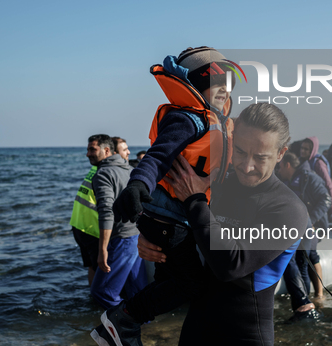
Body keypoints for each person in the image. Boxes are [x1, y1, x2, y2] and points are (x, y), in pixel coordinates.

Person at [93, 103, 309, 346]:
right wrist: (152, 237)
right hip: (196, 328)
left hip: (245, 336)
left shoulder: (289, 210)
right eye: (239, 151)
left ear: (281, 153)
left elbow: (230, 265)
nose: (247, 166)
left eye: (260, 158)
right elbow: (184, 226)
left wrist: (194, 201)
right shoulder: (217, 185)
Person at [91, 47, 235, 345]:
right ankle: (123, 320)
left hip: (175, 220)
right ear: (194, 85)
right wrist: (138, 184)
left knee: (171, 280)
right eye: (214, 80)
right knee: (191, 284)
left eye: (227, 81)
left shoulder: (217, 123)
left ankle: (127, 327)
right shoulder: (188, 120)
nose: (223, 88)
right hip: (167, 219)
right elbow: (157, 156)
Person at [87, 134, 146, 309]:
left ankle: (126, 325)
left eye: (92, 149)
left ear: (106, 150)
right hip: (137, 237)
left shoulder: (103, 174)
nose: (88, 154)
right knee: (138, 291)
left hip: (121, 239)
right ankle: (147, 329)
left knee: (101, 292)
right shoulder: (129, 169)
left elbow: (106, 212)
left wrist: (102, 249)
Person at [277, 152, 331, 311]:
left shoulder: (309, 178)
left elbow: (326, 199)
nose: (278, 171)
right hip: (300, 226)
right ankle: (312, 299)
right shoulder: (291, 181)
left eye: (280, 167)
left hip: (311, 226)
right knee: (304, 260)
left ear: (288, 165)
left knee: (305, 260)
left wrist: (311, 219)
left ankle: (309, 300)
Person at [70, 148, 100, 286]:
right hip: (92, 229)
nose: (128, 152)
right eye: (124, 149)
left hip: (78, 225)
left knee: (92, 266)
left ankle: (93, 298)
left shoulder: (95, 169)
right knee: (101, 268)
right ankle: (101, 302)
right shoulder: (105, 171)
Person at [299, 137, 332, 215]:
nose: (302, 151)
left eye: (306, 149)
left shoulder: (318, 164)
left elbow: (329, 185)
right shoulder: (303, 162)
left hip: (320, 203)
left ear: (312, 150)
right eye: (302, 148)